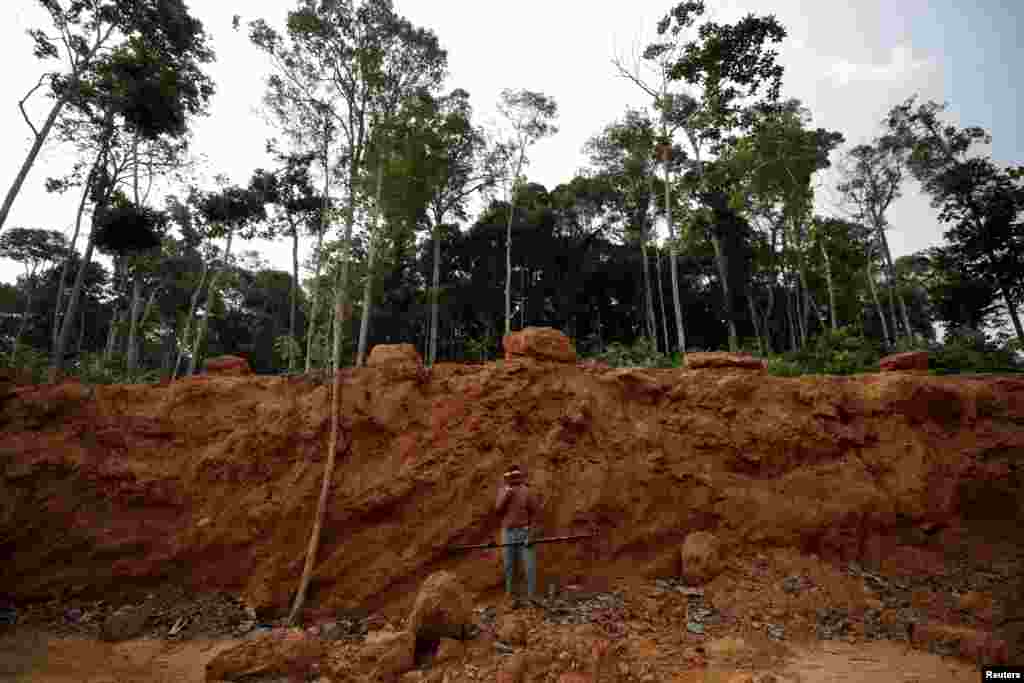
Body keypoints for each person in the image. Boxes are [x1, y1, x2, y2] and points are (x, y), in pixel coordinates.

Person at [495, 464, 540, 607]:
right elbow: (498, 509)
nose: (513, 480)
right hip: (508, 533)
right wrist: (507, 493)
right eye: (510, 477)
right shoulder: (503, 491)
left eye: (515, 477)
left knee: (529, 566)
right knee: (509, 565)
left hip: (525, 532)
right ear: (507, 478)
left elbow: (535, 514)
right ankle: (511, 598)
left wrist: (531, 534)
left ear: (520, 477)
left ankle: (531, 597)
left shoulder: (527, 491)